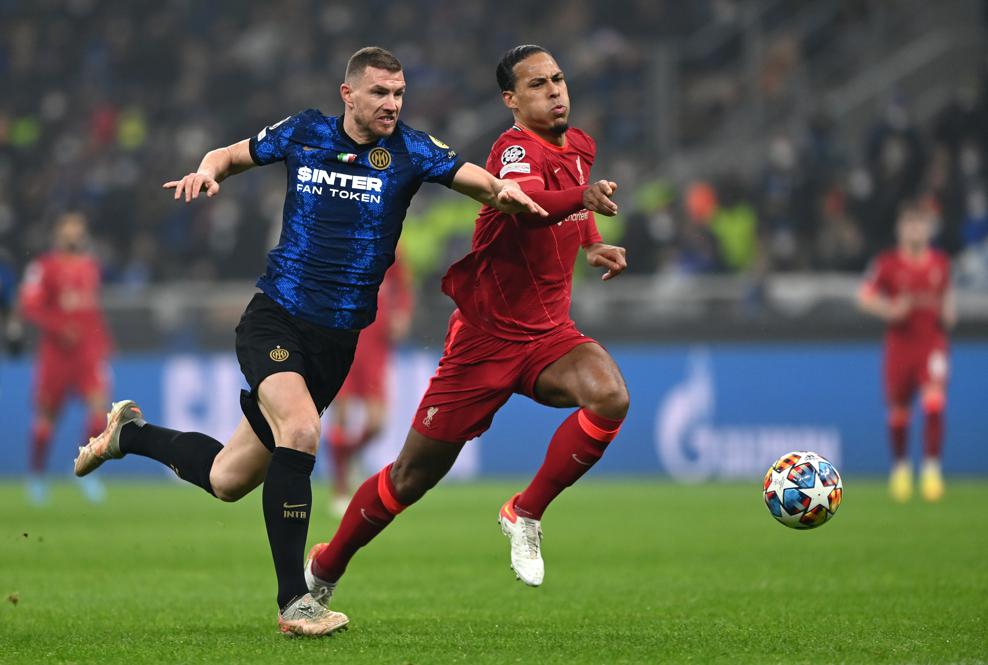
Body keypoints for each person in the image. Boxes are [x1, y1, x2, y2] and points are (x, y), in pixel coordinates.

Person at [72, 46, 546, 637]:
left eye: (399, 94)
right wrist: (208, 171)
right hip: (276, 318)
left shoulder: (411, 150)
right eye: (380, 93)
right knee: (300, 430)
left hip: (336, 344)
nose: (392, 104)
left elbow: (481, 183)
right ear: (348, 94)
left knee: (226, 479)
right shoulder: (305, 132)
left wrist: (513, 194)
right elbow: (229, 155)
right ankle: (295, 603)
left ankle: (130, 434)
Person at [304, 44, 630, 612]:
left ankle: (524, 512)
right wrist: (582, 197)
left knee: (610, 397)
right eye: (537, 85)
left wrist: (592, 243)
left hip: (549, 336)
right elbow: (528, 203)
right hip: (484, 341)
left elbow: (572, 211)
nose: (555, 91)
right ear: (511, 100)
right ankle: (326, 565)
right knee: (409, 479)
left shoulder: (580, 146)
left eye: (558, 79)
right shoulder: (511, 151)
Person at [858, 198, 955, 502]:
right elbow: (864, 296)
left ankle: (931, 471)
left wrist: (949, 313)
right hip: (900, 346)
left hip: (932, 344)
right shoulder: (887, 264)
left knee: (934, 402)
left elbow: (947, 297)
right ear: (900, 229)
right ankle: (900, 469)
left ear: (928, 229)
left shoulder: (941, 263)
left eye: (919, 224)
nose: (914, 230)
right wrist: (889, 309)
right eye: (909, 224)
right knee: (899, 410)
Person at [19, 213, 109, 505]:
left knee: (99, 411)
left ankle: (86, 472)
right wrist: (59, 327)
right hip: (56, 353)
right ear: (58, 234)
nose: (74, 235)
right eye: (69, 230)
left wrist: (103, 342)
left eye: (78, 230)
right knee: (47, 416)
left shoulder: (90, 266)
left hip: (86, 352)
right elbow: (29, 306)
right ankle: (37, 476)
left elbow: (92, 309)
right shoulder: (43, 267)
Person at [326, 256, 413, 516]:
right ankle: (340, 488)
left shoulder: (388, 240)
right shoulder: (335, 238)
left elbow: (402, 284)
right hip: (341, 334)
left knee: (376, 423)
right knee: (341, 415)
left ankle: (349, 455)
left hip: (375, 339)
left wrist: (402, 313)